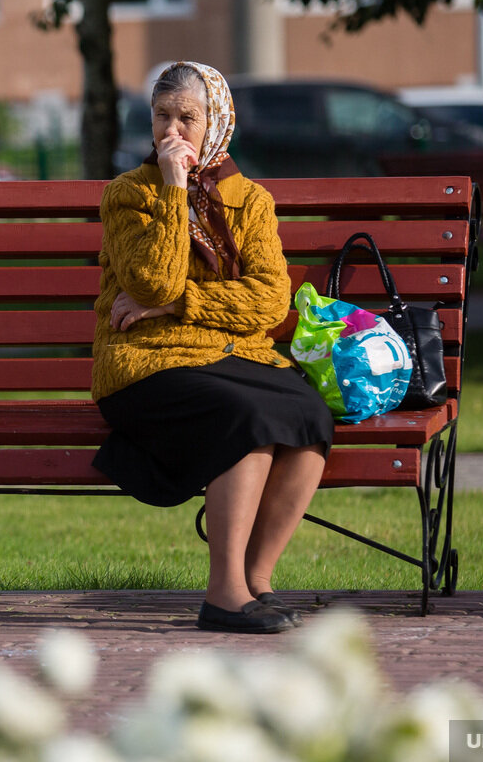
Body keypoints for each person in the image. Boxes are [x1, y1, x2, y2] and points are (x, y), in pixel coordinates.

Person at [91, 61, 334, 634]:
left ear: (216, 122)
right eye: (162, 117)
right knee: (246, 416)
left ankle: (256, 581)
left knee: (309, 414)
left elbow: (270, 302)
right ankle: (223, 594)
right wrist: (174, 192)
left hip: (228, 357)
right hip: (145, 363)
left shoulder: (250, 201)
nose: (173, 132)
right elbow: (152, 282)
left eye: (188, 118)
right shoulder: (130, 195)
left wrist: (180, 306)